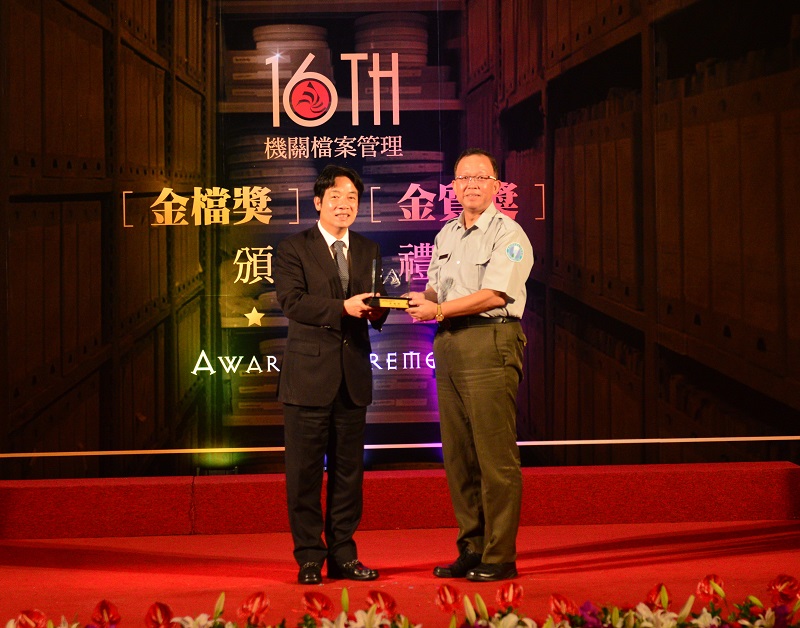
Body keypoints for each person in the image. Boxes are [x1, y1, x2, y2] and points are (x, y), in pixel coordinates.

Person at [406, 148, 534, 582]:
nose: (472, 185)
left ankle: (500, 555)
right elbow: (437, 293)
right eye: (463, 179)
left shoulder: (510, 235)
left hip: (489, 342)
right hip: (450, 346)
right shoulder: (446, 235)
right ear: (453, 187)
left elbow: (495, 295)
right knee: (459, 456)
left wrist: (439, 311)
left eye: (481, 178)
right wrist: (418, 303)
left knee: (494, 456)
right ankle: (471, 548)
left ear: (497, 186)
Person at [274, 164, 388, 585]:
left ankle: (344, 554)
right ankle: (308, 556)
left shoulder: (368, 248)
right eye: (336, 198)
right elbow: (293, 302)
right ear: (318, 203)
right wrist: (343, 307)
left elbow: (371, 308)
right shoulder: (292, 248)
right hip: (308, 378)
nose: (345, 205)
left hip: (353, 375)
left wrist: (379, 312)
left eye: (352, 199)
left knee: (348, 473)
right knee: (304, 473)